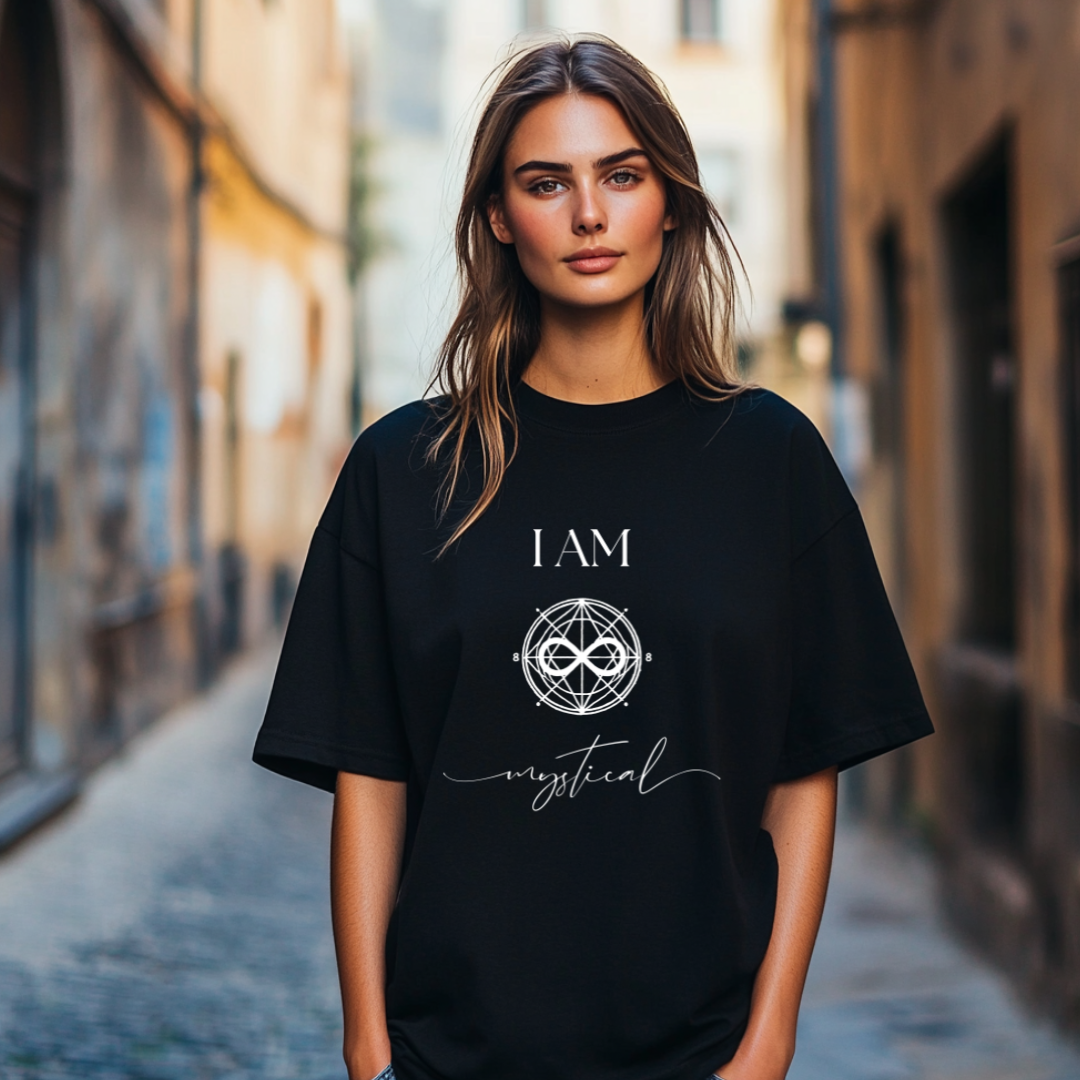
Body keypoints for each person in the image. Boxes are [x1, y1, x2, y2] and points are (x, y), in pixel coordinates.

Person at [253, 34, 933, 1080]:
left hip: (702, 1052)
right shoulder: (403, 470)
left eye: (622, 175)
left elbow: (805, 764)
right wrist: (368, 1048)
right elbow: (370, 773)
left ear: (672, 202)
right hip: (451, 1054)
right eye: (546, 183)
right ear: (497, 215)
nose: (587, 215)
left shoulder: (769, 460)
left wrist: (768, 1043)